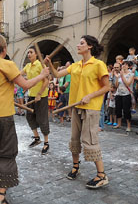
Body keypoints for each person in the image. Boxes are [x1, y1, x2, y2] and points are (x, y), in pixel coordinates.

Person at [0, 33, 50, 204]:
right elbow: (25, 85)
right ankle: (1, 196)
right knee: (7, 152)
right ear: (4, 49)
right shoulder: (7, 64)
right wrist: (42, 74)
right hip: (2, 116)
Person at [45, 35, 110, 189]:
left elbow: (107, 87)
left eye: (82, 43)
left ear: (90, 47)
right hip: (76, 107)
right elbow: (56, 75)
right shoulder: (75, 65)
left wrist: (90, 96)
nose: (78, 45)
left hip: (91, 108)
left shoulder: (98, 64)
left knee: (90, 141)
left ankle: (102, 175)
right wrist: (49, 64)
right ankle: (75, 166)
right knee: (74, 139)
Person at [21, 46, 50, 154]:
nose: (29, 54)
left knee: (42, 119)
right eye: (28, 52)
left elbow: (46, 81)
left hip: (41, 96)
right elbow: (18, 75)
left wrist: (39, 94)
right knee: (29, 116)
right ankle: (37, 138)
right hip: (31, 95)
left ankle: (46, 143)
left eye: (31, 52)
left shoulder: (40, 65)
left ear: (36, 54)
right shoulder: (28, 66)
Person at [113, 61, 134, 132]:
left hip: (126, 94)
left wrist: (122, 76)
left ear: (128, 66)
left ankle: (128, 126)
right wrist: (117, 77)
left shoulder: (131, 74)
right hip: (119, 94)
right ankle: (119, 124)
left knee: (126, 110)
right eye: (123, 65)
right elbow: (116, 85)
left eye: (125, 65)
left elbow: (128, 84)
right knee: (118, 109)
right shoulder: (120, 74)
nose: (124, 66)